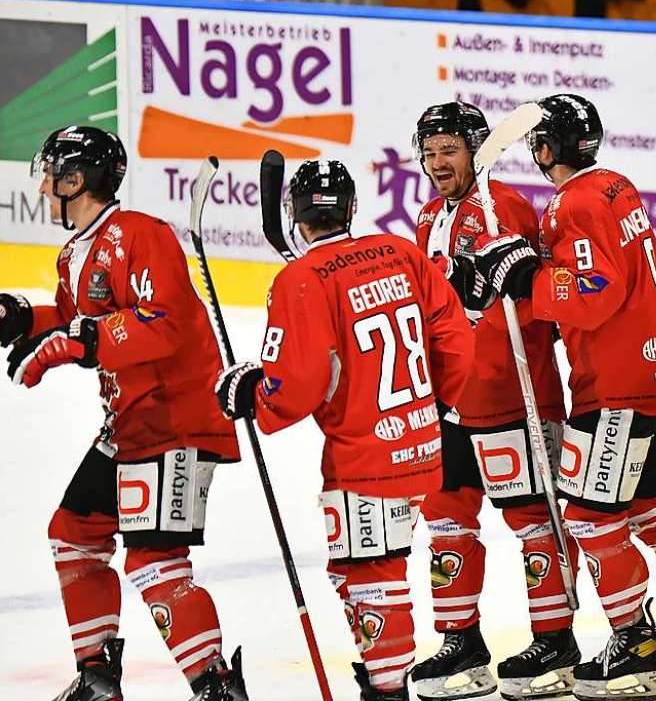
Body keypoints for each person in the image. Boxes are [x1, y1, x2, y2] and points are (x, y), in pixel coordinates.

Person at [467, 94, 656, 700]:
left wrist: (527, 278)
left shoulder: (572, 202)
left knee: (589, 517)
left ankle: (632, 645)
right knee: (648, 509)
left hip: (617, 389)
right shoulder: (616, 187)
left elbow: (594, 292)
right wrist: (527, 280)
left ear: (548, 148)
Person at [0, 126, 247, 701]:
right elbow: (70, 316)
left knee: (154, 560)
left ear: (76, 178)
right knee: (75, 535)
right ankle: (97, 679)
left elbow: (166, 323)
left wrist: (74, 343)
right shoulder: (75, 251)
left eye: (50, 173)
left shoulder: (142, 235)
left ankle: (215, 688)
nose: (41, 186)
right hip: (130, 425)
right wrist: (22, 318)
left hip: (174, 421)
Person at [214, 159, 475, 701]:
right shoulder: (401, 253)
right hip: (422, 445)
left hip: (363, 458)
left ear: (296, 216)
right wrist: (434, 407)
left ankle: (387, 690)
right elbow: (454, 336)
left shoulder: (301, 280)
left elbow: (301, 380)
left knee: (368, 573)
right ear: (352, 208)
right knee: (378, 567)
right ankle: (388, 683)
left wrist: (256, 395)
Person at [409, 102, 580, 701]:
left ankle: (555, 638)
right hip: (446, 398)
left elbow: (535, 299)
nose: (437, 163)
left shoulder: (506, 206)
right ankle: (462, 641)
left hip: (511, 391)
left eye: (449, 150)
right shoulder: (429, 216)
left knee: (534, 522)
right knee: (446, 520)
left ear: (477, 151)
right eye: (429, 152)